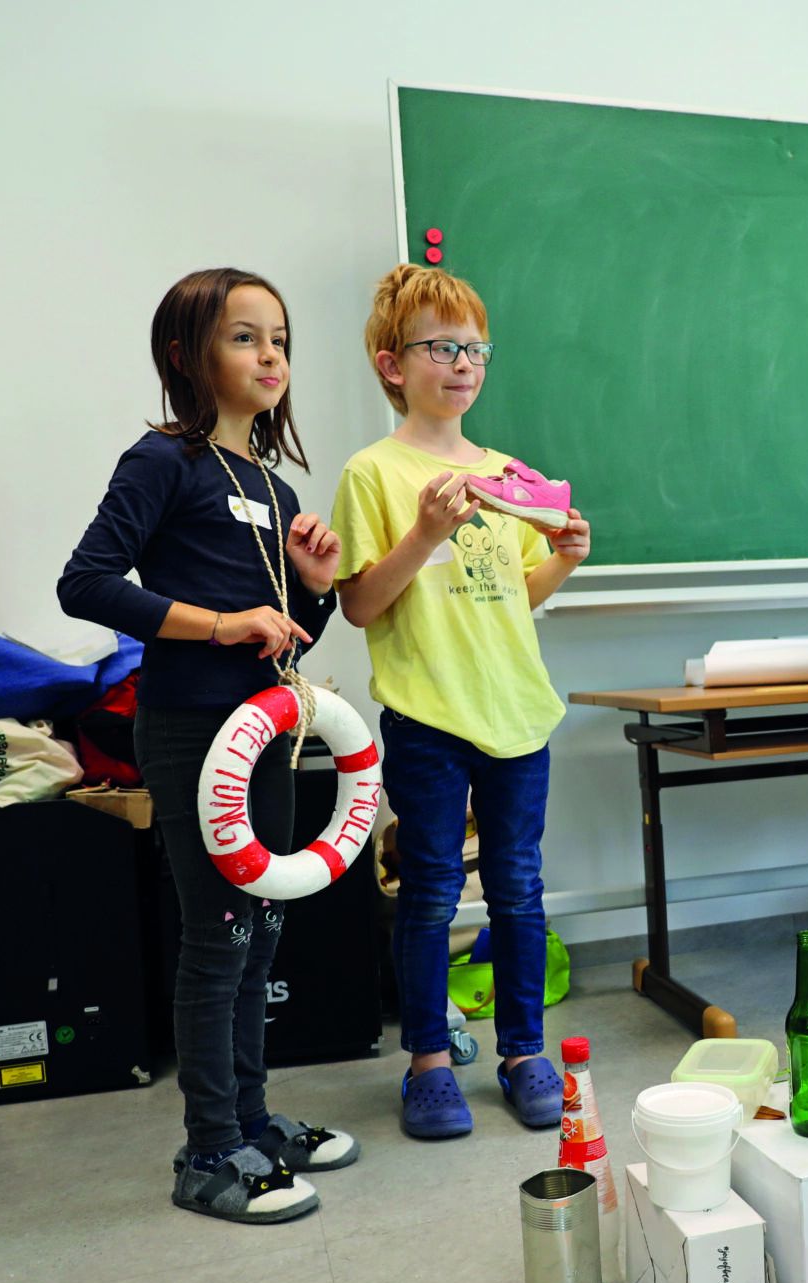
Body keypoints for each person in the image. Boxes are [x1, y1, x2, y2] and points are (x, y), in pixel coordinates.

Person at [59, 267, 356, 1223]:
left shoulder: (272, 483)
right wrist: (223, 625)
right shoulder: (164, 461)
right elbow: (88, 582)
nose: (270, 355)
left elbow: (291, 628)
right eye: (245, 337)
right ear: (188, 355)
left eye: (279, 339)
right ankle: (207, 1151)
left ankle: (254, 1121)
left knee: (263, 925)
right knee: (219, 932)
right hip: (193, 728)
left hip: (267, 731)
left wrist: (312, 585)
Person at [332, 263, 590, 1139]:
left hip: (517, 711)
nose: (463, 363)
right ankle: (430, 1064)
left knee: (519, 888)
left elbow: (510, 594)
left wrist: (563, 559)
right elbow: (361, 602)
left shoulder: (508, 473)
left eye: (475, 348)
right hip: (429, 715)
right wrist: (426, 532)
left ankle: (523, 1051)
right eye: (442, 346)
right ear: (391, 363)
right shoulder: (374, 472)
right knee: (433, 889)